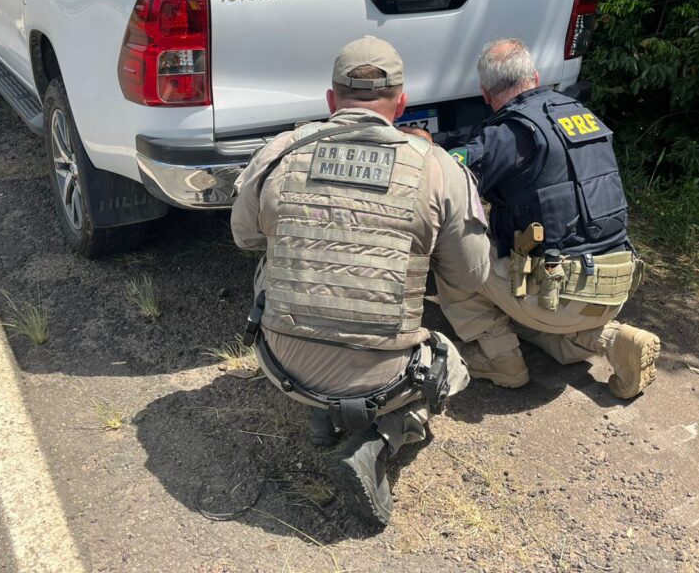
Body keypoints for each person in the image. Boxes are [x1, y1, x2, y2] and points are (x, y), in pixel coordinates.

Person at [230, 35, 491, 526]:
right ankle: (381, 437)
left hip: (280, 363)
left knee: (273, 260)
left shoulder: (283, 151)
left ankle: (317, 410)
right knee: (450, 362)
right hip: (382, 380)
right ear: (402, 102)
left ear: (331, 101)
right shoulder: (436, 167)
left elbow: (245, 237)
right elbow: (471, 275)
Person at [408, 37, 659, 400]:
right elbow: (483, 141)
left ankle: (502, 360)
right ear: (535, 76)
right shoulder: (576, 112)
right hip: (615, 285)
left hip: (558, 291)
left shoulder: (508, 134)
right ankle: (611, 339)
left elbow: (449, 173)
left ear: (484, 92)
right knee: (533, 311)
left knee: (454, 246)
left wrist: (426, 145)